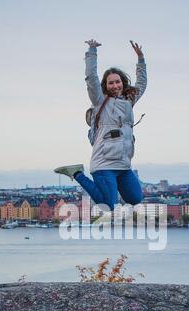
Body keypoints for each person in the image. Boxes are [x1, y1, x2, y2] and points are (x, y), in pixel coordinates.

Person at [54, 38, 147, 211]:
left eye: (117, 82)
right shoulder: (99, 101)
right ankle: (76, 173)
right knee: (107, 205)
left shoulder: (128, 101)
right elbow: (91, 78)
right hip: (104, 163)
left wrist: (141, 60)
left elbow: (141, 84)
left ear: (123, 82)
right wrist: (92, 51)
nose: (115, 85)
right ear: (105, 86)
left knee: (135, 198)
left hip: (124, 164)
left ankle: (112, 186)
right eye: (110, 83)